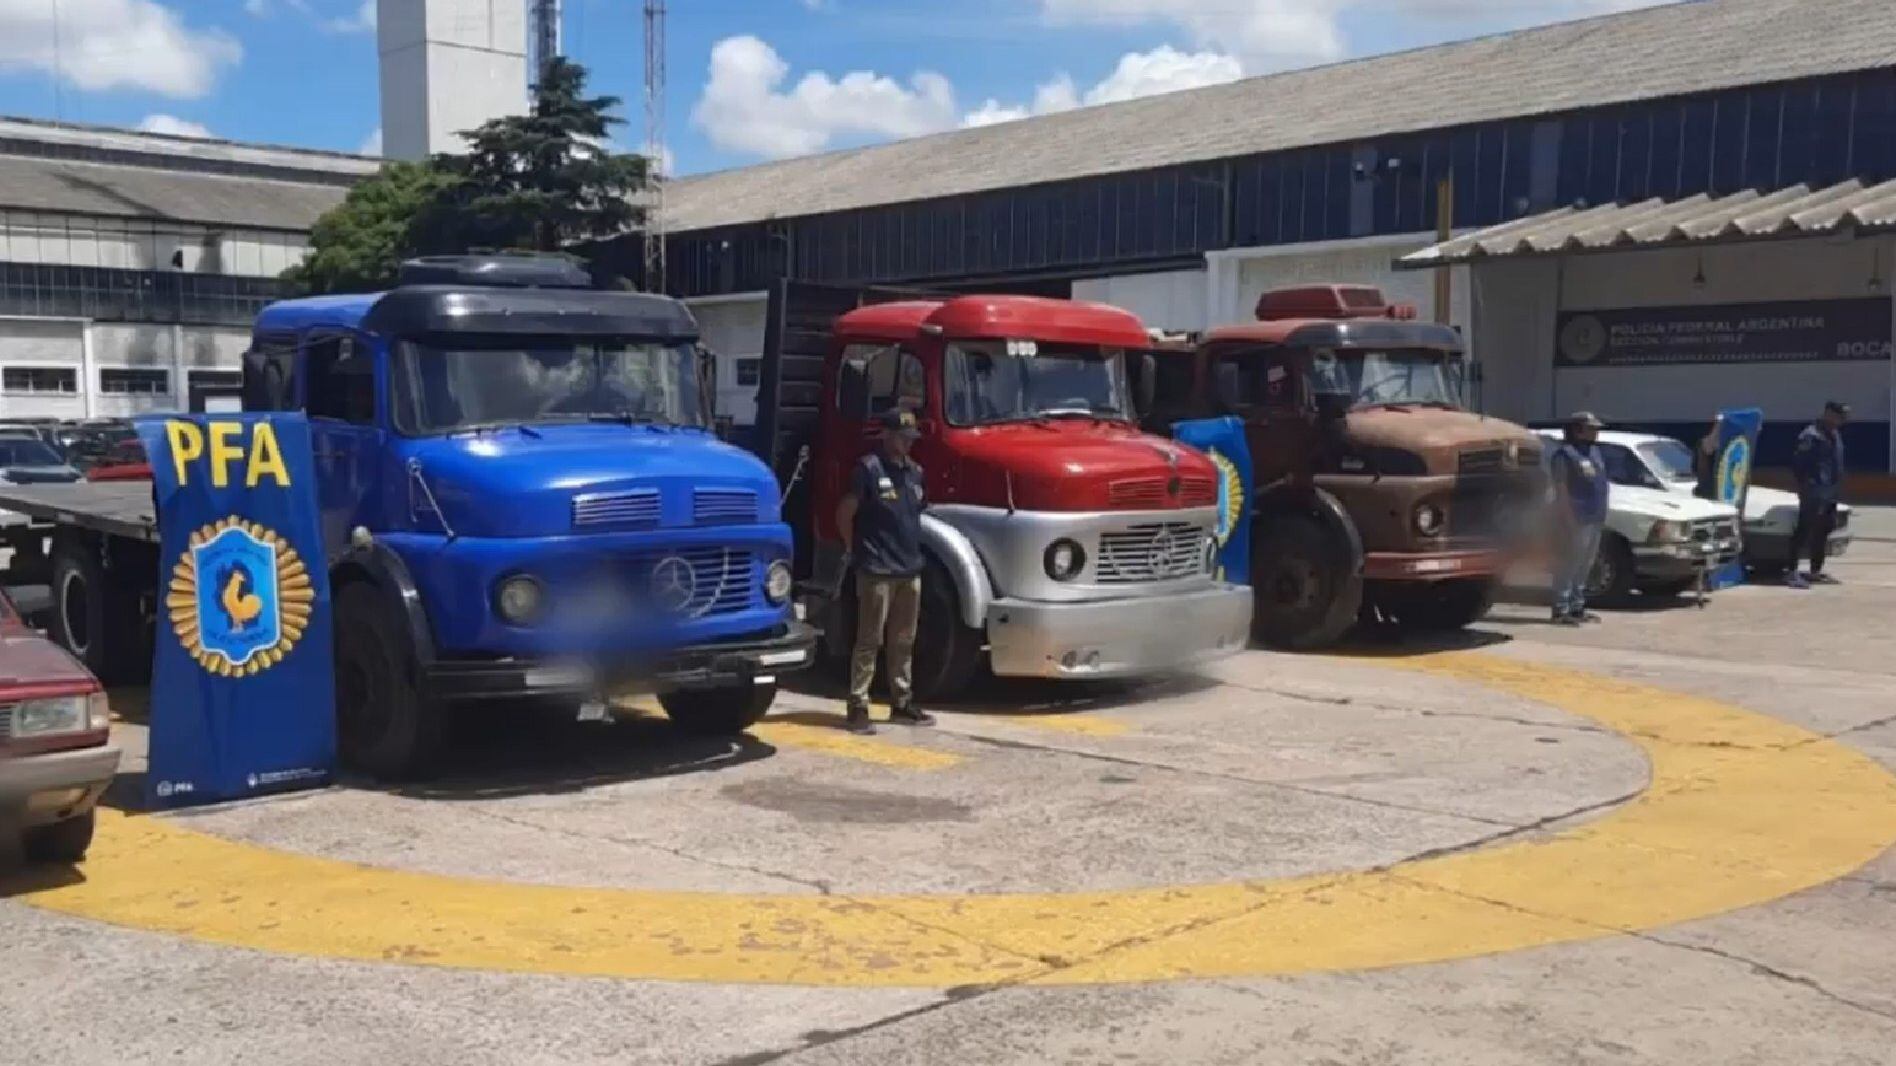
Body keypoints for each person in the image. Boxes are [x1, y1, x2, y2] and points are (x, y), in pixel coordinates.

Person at [834, 408, 936, 735]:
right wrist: (853, 548)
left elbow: (915, 515)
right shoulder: (868, 469)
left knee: (904, 639)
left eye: (911, 439)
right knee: (869, 639)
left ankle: (901, 701)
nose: (908, 444)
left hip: (909, 568)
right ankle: (858, 704)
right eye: (903, 438)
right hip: (877, 568)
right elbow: (845, 512)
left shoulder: (915, 473)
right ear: (888, 436)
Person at [1548, 411, 1610, 626]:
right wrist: (1568, 517)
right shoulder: (1565, 455)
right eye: (1591, 428)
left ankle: (1577, 607)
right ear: (1577, 430)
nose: (1596, 433)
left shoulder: (1594, 452)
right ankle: (1561, 608)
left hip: (1595, 517)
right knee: (1569, 563)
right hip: (1576, 517)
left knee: (1585, 564)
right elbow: (1561, 489)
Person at [1786, 401, 1850, 589]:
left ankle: (1815, 571)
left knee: (1824, 529)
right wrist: (1809, 485)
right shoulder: (1811, 435)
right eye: (1840, 416)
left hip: (1830, 491)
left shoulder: (1834, 434)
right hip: (1813, 491)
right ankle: (1791, 572)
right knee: (1804, 530)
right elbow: (1798, 464)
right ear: (1829, 414)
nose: (1843, 420)